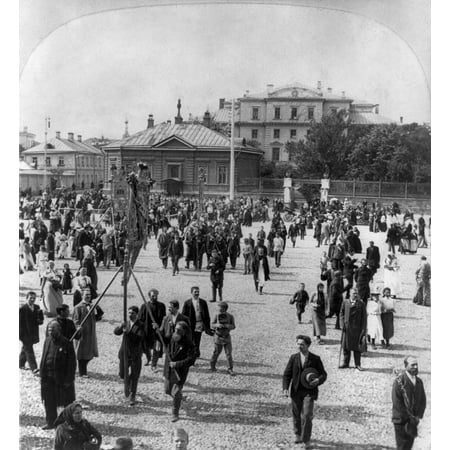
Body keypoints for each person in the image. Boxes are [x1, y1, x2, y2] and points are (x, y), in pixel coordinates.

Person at [282, 334, 327, 447]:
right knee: (296, 413)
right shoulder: (293, 358)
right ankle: (297, 434)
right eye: (298, 344)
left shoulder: (315, 359)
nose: (299, 346)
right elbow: (287, 374)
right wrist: (285, 388)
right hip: (296, 391)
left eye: (302, 344)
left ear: (308, 345)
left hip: (309, 392)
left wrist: (318, 380)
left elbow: (323, 374)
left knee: (307, 415)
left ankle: (306, 440)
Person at [40, 321, 76, 430]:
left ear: (59, 330)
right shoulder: (47, 341)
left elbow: (72, 363)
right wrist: (42, 375)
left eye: (53, 330)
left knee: (67, 403)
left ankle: (69, 423)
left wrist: (69, 379)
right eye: (49, 330)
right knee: (49, 401)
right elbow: (44, 358)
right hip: (48, 378)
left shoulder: (67, 343)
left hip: (62, 379)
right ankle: (51, 422)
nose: (50, 332)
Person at [391, 356, 427, 450]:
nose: (415, 367)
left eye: (416, 365)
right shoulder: (399, 382)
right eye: (412, 365)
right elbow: (397, 403)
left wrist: (418, 416)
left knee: (409, 446)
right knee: (402, 447)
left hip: (414, 421)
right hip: (401, 421)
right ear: (406, 366)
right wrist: (409, 417)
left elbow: (423, 400)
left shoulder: (419, 382)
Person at [164, 321, 196, 422]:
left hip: (179, 372)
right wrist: (157, 329)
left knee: (176, 392)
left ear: (184, 332)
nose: (176, 331)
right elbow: (161, 337)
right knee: (167, 391)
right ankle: (180, 397)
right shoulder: (172, 338)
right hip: (169, 370)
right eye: (175, 329)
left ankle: (175, 413)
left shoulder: (189, 344)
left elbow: (191, 360)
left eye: (179, 330)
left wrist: (177, 364)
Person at [114, 306, 145, 405]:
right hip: (124, 353)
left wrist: (128, 333)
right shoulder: (125, 323)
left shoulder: (141, 325)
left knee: (135, 375)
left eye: (132, 313)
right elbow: (116, 332)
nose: (130, 315)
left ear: (137, 314)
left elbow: (139, 337)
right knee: (122, 374)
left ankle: (133, 395)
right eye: (129, 313)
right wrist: (120, 328)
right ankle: (128, 383)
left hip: (135, 354)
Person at [72, 290, 102, 377]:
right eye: (86, 294)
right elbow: (75, 321)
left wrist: (98, 309)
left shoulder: (91, 306)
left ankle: (83, 370)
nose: (88, 296)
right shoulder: (78, 307)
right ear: (82, 295)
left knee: (89, 352)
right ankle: (82, 372)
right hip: (83, 334)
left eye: (89, 294)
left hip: (91, 333)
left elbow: (96, 319)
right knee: (81, 353)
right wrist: (78, 329)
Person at [138, 289, 166, 370]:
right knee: (146, 347)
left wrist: (159, 326)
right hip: (147, 331)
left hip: (157, 331)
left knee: (157, 348)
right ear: (149, 296)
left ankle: (154, 364)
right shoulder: (144, 306)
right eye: (153, 296)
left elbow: (164, 318)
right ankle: (149, 358)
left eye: (156, 295)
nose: (155, 297)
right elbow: (140, 319)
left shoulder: (161, 305)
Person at [181, 286, 212, 359]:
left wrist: (207, 327)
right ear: (191, 293)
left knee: (197, 340)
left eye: (198, 292)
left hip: (199, 324)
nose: (197, 293)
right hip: (190, 325)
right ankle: (190, 355)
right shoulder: (187, 303)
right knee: (190, 340)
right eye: (195, 292)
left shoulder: (203, 302)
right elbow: (183, 315)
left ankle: (195, 354)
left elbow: (207, 315)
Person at [339, 289, 366, 371]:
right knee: (346, 346)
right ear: (350, 294)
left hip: (357, 329)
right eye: (353, 293)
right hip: (347, 328)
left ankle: (357, 364)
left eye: (356, 293)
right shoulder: (345, 302)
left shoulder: (361, 304)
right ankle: (345, 363)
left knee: (357, 347)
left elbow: (364, 318)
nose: (355, 295)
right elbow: (341, 313)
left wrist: (363, 329)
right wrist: (342, 324)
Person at [19, 291, 44, 374]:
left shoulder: (37, 307)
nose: (32, 299)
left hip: (33, 333)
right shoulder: (22, 309)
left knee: (25, 349)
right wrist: (20, 335)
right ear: (27, 298)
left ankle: (20, 363)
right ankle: (34, 368)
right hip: (24, 334)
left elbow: (41, 320)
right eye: (31, 298)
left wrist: (40, 320)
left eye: (34, 298)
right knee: (29, 350)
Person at [210, 302, 236, 375]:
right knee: (216, 352)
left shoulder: (230, 316)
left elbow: (234, 326)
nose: (219, 310)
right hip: (218, 337)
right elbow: (212, 324)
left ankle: (230, 369)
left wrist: (228, 326)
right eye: (219, 308)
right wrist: (217, 325)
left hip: (227, 337)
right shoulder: (216, 315)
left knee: (229, 354)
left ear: (224, 309)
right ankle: (212, 366)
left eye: (220, 308)